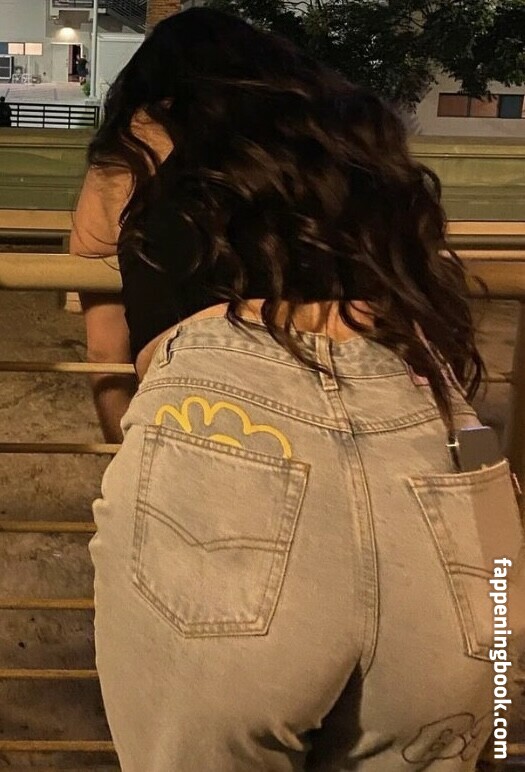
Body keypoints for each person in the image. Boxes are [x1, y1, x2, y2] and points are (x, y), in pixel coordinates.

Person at [76, 8, 525, 771]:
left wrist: (143, 449)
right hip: (439, 442)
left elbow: (103, 335)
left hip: (224, 435)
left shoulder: (143, 138)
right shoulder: (350, 152)